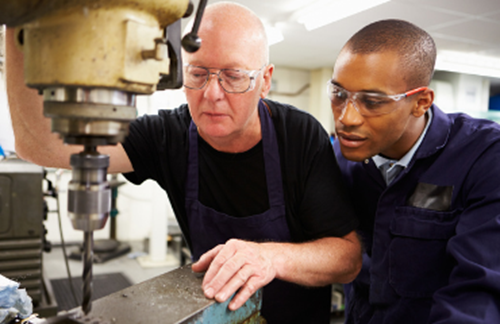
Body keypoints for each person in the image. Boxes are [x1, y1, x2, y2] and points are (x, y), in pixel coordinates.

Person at [6, 2, 362, 323]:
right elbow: (39, 146)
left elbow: (347, 259)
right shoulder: (168, 135)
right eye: (198, 73)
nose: (212, 94)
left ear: (264, 81)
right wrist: (18, 20)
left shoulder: (299, 136)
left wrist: (270, 258)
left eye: (233, 76)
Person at [330, 19, 500, 323]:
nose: (347, 118)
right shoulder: (339, 160)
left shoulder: (485, 157)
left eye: (372, 101)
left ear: (421, 102)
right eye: (339, 94)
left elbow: (478, 291)